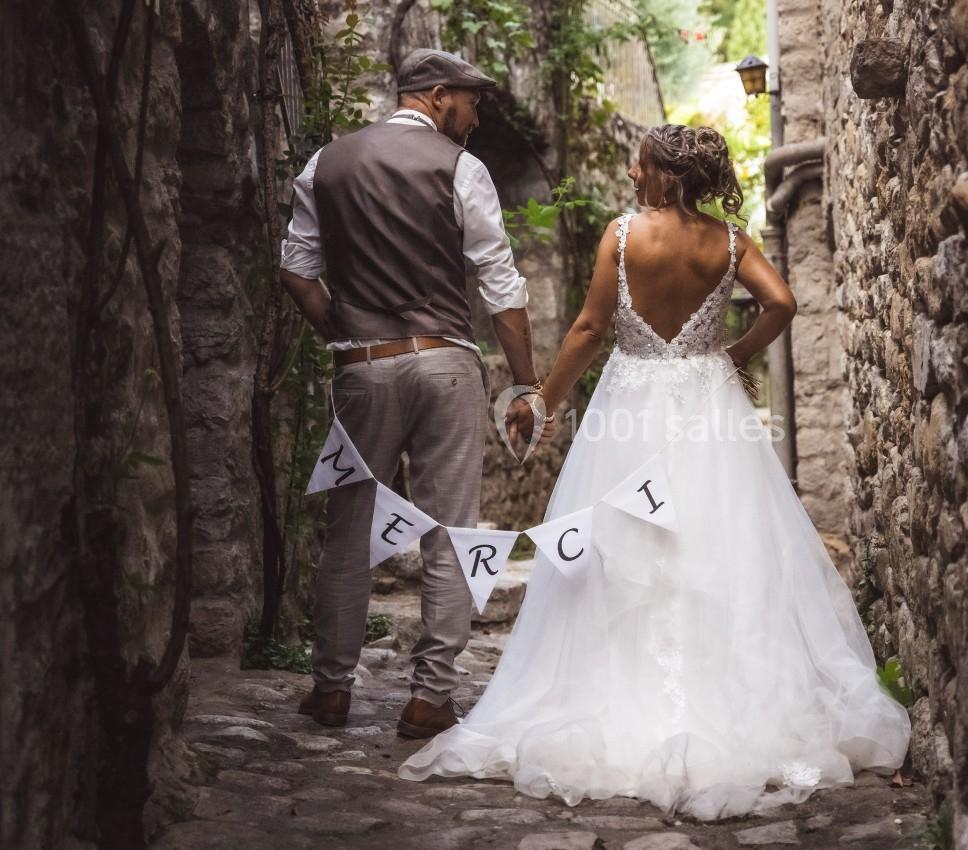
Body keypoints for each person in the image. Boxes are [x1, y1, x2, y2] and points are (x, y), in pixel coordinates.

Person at [397, 124, 912, 820]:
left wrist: (541, 402)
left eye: (641, 166)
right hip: (708, 402)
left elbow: (587, 329)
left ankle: (618, 690)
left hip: (630, 406)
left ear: (664, 175)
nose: (633, 174)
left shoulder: (622, 235)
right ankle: (723, 694)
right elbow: (782, 303)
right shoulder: (728, 242)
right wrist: (731, 355)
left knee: (619, 546)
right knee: (716, 541)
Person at [278, 48, 545, 738]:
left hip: (363, 368)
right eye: (470, 99)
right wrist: (525, 381)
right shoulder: (461, 168)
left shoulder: (324, 164)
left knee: (348, 532)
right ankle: (429, 698)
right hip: (446, 364)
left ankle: (332, 690)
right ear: (433, 94)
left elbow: (297, 272)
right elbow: (499, 285)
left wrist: (343, 333)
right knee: (449, 532)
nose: (476, 113)